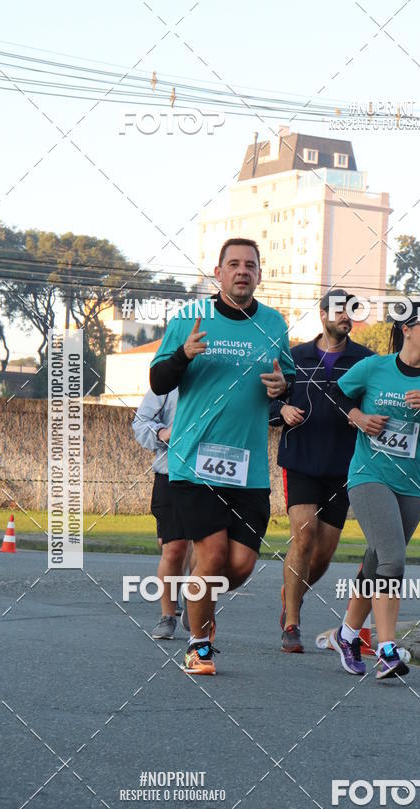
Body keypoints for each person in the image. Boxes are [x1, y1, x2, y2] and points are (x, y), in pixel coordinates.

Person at [149, 238, 296, 675]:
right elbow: (158, 381)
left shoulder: (273, 322)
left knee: (240, 566)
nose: (242, 271)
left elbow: (283, 376)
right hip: (194, 461)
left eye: (250, 265)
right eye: (233, 264)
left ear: (259, 274)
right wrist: (183, 354)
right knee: (211, 555)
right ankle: (198, 646)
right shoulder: (190, 319)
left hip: (248, 467)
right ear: (218, 272)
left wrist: (280, 387)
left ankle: (198, 595)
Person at [330, 300, 420, 679]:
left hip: (411, 484)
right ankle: (387, 650)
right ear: (406, 328)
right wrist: (358, 417)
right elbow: (336, 394)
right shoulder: (374, 368)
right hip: (368, 476)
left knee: (377, 560)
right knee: (393, 559)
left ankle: (347, 634)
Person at [269, 289, 373, 653]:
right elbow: (267, 399)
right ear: (323, 314)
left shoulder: (365, 362)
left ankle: (291, 591)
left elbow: (373, 401)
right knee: (304, 534)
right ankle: (292, 623)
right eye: (340, 311)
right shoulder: (294, 357)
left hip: (344, 467)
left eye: (351, 313)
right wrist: (280, 411)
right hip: (300, 461)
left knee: (323, 554)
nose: (346, 318)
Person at [132, 388, 192, 639]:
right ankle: (168, 616)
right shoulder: (168, 381)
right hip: (171, 474)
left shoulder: (221, 376)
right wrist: (163, 432)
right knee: (173, 548)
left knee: (206, 547)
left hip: (212, 475)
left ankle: (193, 598)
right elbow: (141, 423)